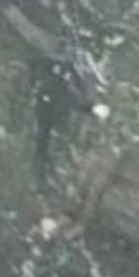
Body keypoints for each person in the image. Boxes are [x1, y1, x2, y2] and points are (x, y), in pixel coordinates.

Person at [32, 55, 91, 186]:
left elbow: (73, 102)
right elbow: (73, 102)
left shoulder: (56, 86)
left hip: (51, 121)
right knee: (45, 146)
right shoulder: (52, 86)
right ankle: (43, 176)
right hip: (48, 121)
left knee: (45, 147)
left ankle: (45, 175)